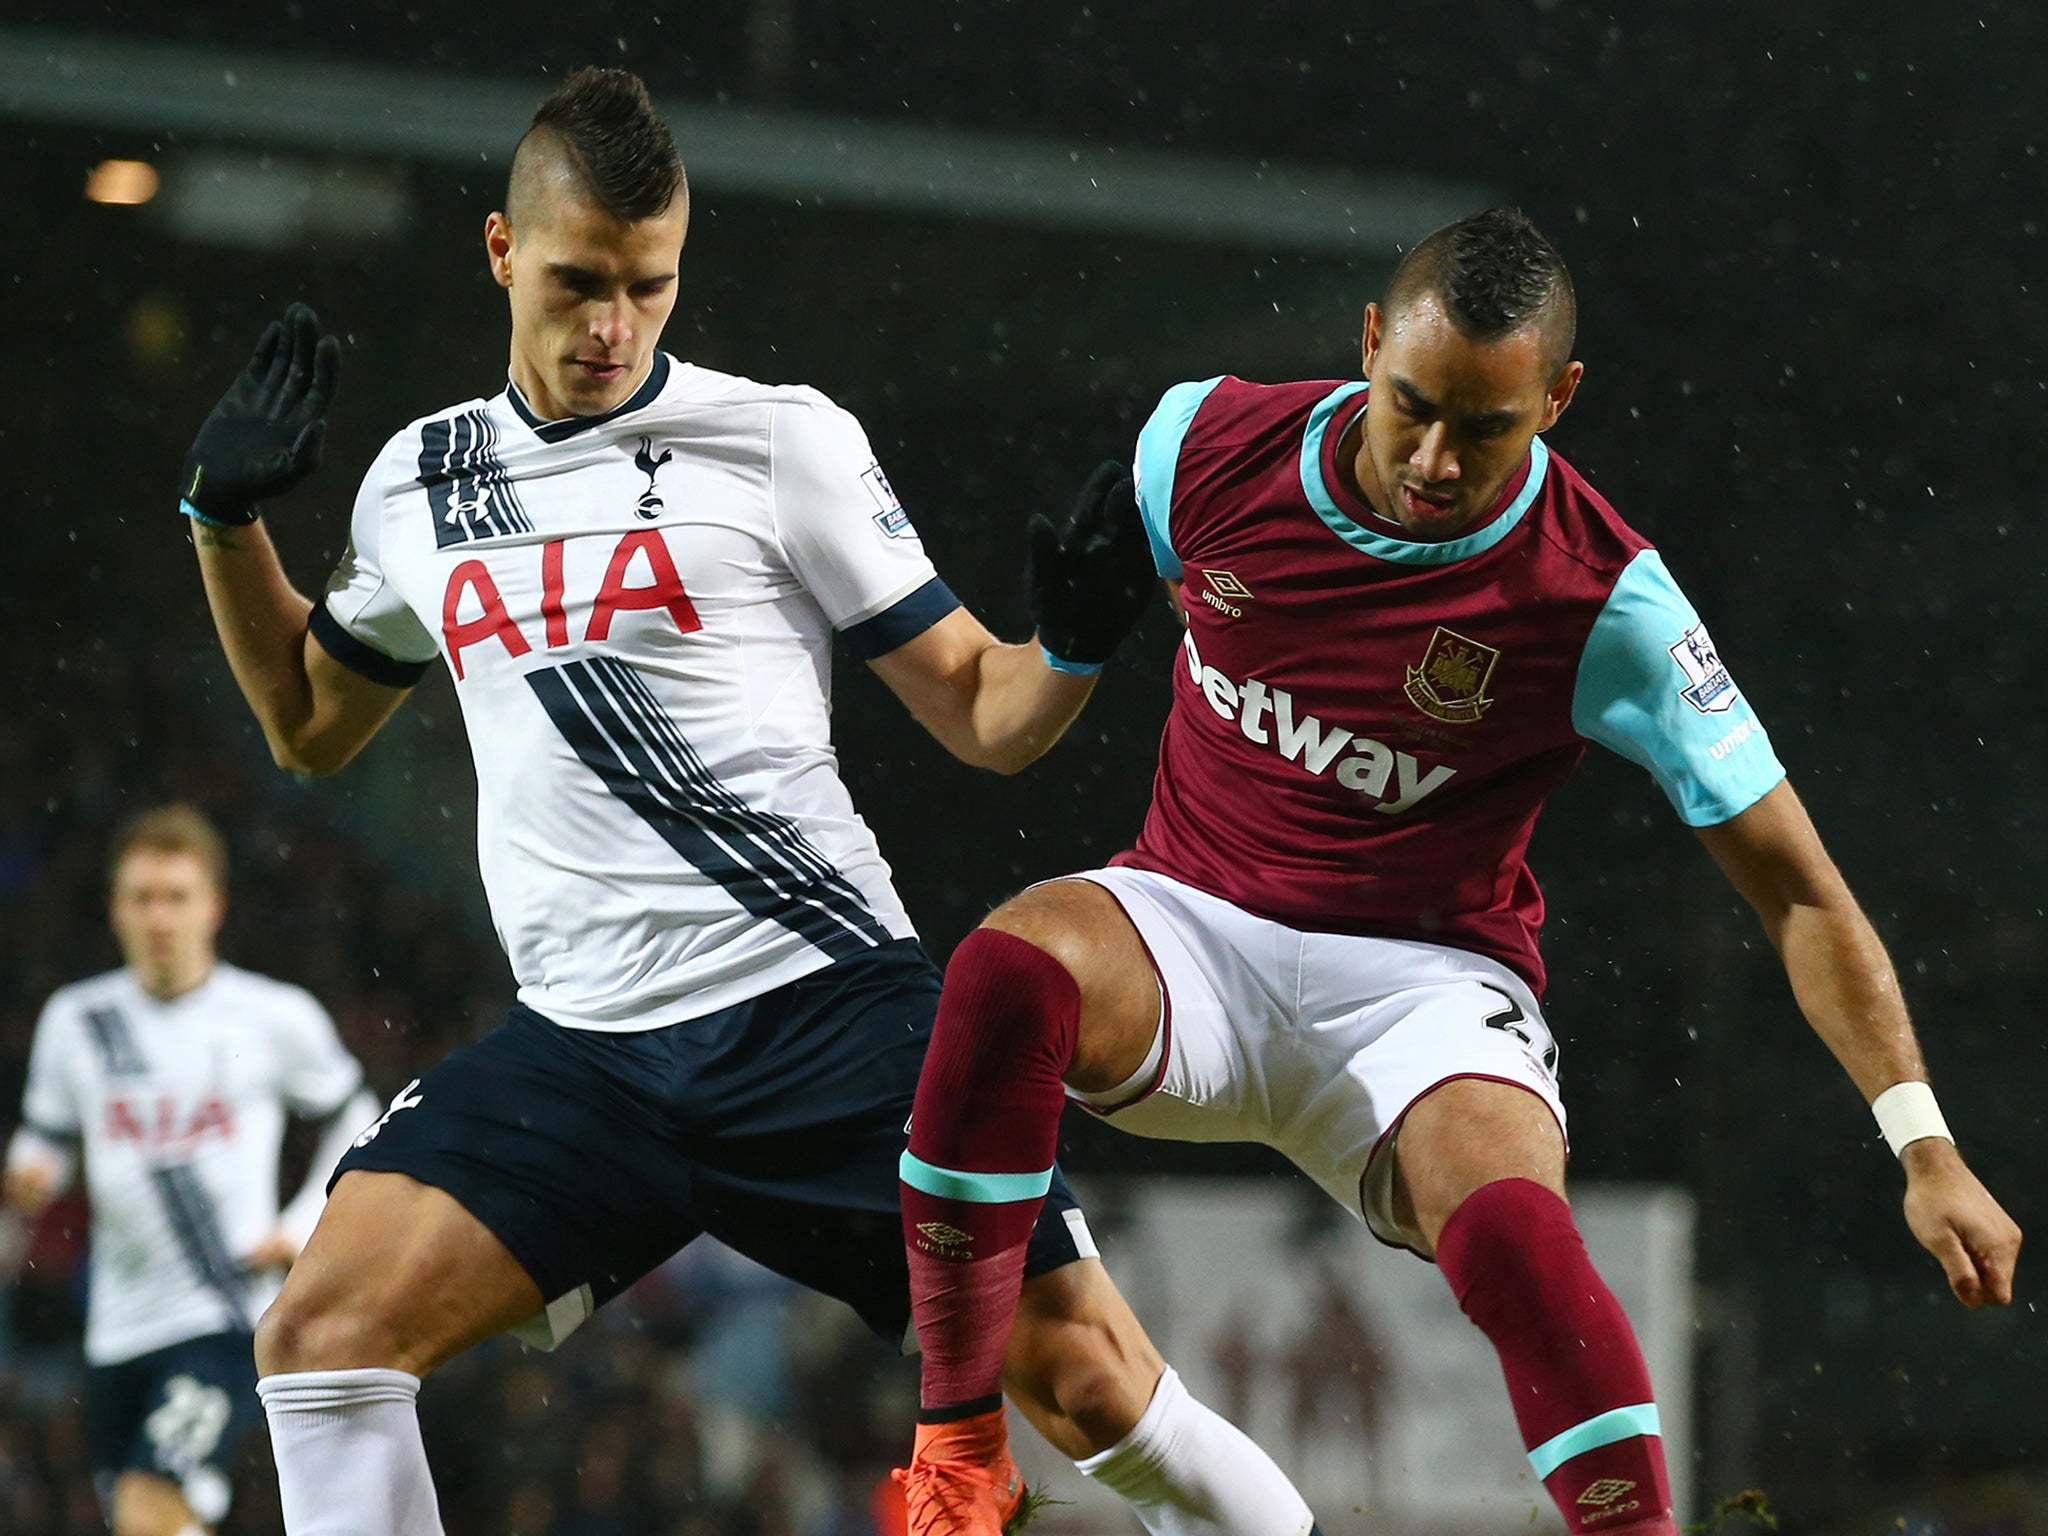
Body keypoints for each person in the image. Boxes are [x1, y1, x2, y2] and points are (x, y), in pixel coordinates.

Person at [177, 66, 1317, 1536]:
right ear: (500, 251)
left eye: (649, 287)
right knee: (320, 1343)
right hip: (583, 1056)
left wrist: (1079, 647)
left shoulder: (782, 441)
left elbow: (982, 710)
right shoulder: (420, 481)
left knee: (1090, 1379)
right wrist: (224, 524)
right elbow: (306, 723)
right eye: (580, 282)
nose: (613, 327)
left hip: (824, 1012)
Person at [893, 207, 2024, 1535]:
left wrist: (1926, 1147)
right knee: (1002, 973)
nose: (1434, 458)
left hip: (1421, 985)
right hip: (1188, 926)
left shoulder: (1609, 605)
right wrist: (1070, 650)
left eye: (1484, 428)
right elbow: (1012, 720)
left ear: (1559, 399)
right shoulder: (1200, 442)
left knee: (1517, 1240)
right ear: (1369, 344)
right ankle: (958, 1457)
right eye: (1412, 406)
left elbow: (1796, 889)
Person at [3, 805, 376, 1536]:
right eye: (143, 898)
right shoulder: (77, 1021)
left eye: (177, 897)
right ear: (116, 909)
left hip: (222, 1311)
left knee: (147, 1503)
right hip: (113, 1325)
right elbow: (44, 1141)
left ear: (215, 906)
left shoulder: (272, 1016)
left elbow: (358, 1117)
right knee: (156, 1519)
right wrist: (29, 1174)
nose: (160, 916)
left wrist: (302, 1226)